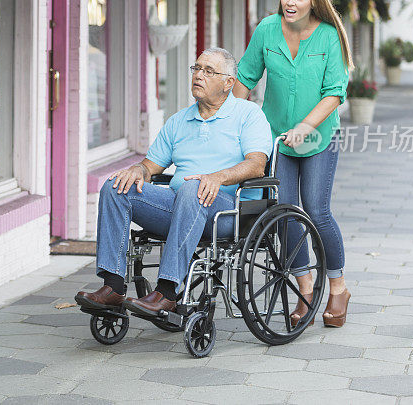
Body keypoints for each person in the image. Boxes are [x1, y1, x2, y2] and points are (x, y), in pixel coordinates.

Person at [76, 48, 272, 316]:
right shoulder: (179, 120)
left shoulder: (248, 114)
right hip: (180, 206)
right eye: (197, 69)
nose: (199, 75)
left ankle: (167, 291)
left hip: (227, 212)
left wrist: (216, 177)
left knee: (194, 187)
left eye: (208, 71)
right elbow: (150, 166)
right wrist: (136, 170)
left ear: (228, 83)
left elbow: (257, 164)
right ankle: (113, 286)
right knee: (115, 187)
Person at [232, 0, 353, 328]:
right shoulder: (267, 30)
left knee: (317, 210)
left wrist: (304, 127)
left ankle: (338, 287)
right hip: (276, 140)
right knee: (283, 212)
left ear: (313, 0)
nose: (291, 2)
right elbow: (245, 78)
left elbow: (335, 92)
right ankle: (305, 290)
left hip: (318, 137)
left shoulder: (329, 36)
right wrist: (230, 123)